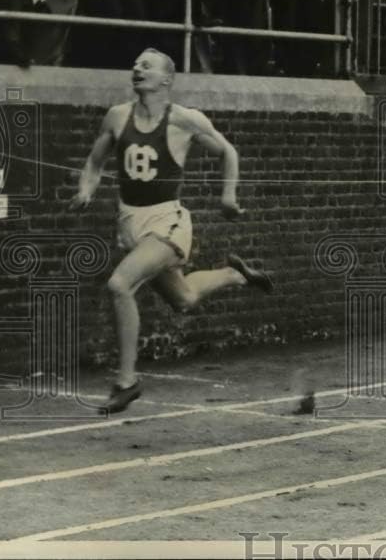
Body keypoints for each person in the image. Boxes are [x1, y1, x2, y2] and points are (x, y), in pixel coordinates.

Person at [69, 48, 273, 413]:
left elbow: (228, 152)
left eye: (145, 65)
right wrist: (87, 188)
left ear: (166, 79)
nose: (136, 68)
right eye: (134, 63)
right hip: (130, 223)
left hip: (168, 222)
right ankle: (235, 275)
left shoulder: (184, 119)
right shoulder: (117, 117)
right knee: (184, 300)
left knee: (119, 285)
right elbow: (94, 162)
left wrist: (228, 196)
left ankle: (126, 381)